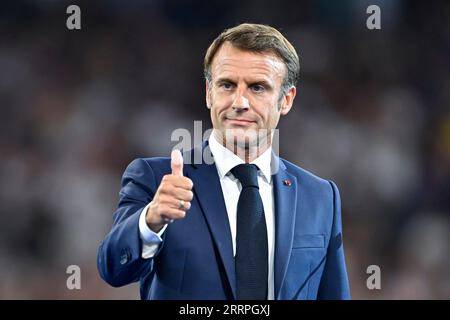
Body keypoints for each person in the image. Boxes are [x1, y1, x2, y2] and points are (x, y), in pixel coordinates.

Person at [97, 23, 351, 300]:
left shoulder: (321, 196)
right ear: (208, 92)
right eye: (227, 85)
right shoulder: (158, 179)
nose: (239, 101)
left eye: (257, 88)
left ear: (286, 100)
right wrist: (150, 220)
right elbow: (113, 268)